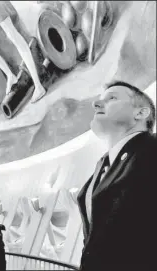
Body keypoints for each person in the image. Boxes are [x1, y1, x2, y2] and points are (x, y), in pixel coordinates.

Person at [77, 81, 156, 271]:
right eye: (99, 100)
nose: (96, 104)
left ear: (140, 113)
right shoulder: (102, 165)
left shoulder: (151, 150)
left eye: (112, 98)